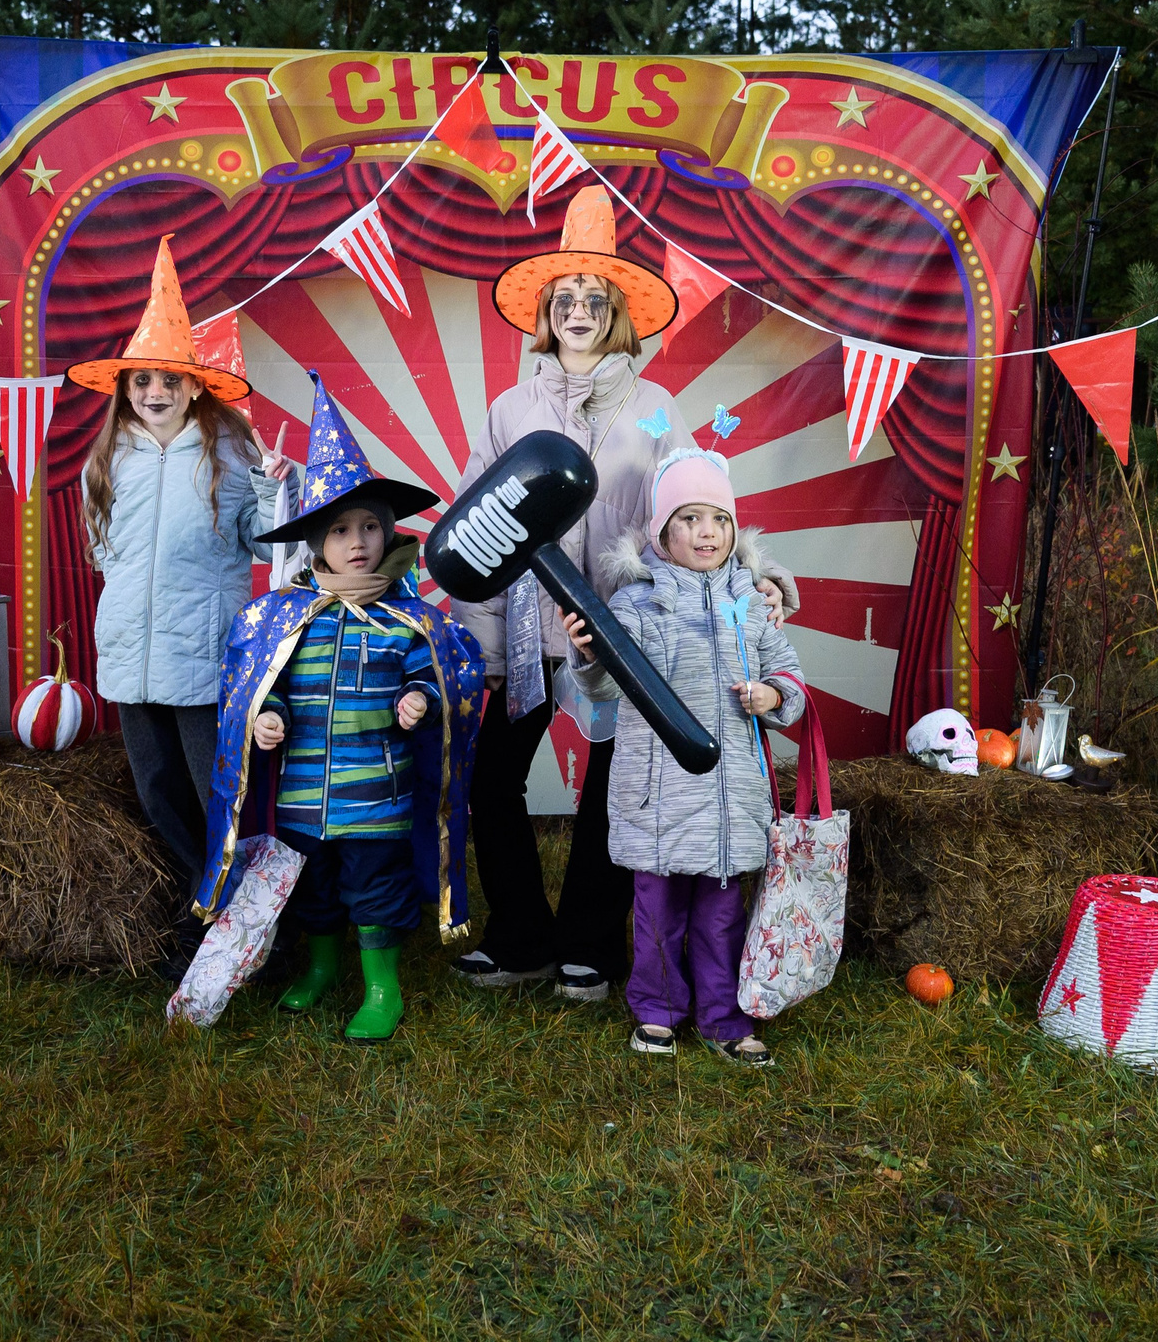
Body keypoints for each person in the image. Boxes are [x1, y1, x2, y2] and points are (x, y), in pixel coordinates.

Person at [450, 185, 794, 1002]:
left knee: (613, 786)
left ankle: (590, 946)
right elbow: (477, 528)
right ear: (546, 311)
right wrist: (489, 647)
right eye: (564, 297)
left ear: (616, 314)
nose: (577, 310)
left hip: (627, 631)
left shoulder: (654, 409)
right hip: (531, 629)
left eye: (593, 298)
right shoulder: (510, 410)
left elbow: (694, 505)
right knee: (492, 781)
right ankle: (521, 935)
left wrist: (755, 578)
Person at [196, 375, 484, 1042]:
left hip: (376, 797)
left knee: (374, 889)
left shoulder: (407, 621)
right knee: (315, 888)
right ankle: (322, 965)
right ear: (316, 544)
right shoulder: (288, 618)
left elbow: (440, 675)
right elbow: (264, 685)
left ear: (387, 533)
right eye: (341, 529)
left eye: (370, 526)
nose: (358, 541)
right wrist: (269, 716)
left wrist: (420, 696)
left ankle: (382, 985)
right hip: (302, 794)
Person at [67, 236, 293, 965]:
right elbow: (104, 548)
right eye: (141, 381)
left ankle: (243, 925)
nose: (154, 391)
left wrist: (272, 489)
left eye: (168, 379)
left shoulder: (231, 452)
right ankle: (208, 910)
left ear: (194, 386)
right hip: (132, 657)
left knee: (214, 795)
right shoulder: (109, 459)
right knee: (158, 791)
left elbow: (265, 543)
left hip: (201, 658)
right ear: (125, 389)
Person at [564, 448, 807, 1066]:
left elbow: (790, 676)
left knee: (722, 915)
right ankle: (658, 1010)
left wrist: (774, 693)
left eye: (720, 519)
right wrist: (589, 656)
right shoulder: (636, 604)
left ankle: (724, 1017)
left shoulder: (752, 602)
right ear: (661, 531)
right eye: (690, 518)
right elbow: (606, 688)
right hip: (659, 793)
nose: (707, 532)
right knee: (657, 911)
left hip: (729, 796)